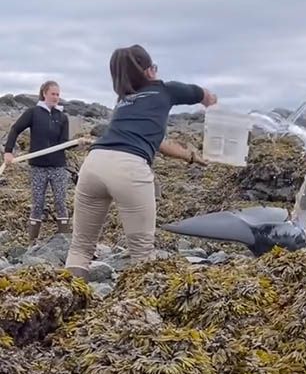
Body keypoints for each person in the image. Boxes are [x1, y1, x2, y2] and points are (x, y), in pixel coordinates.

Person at [64, 45, 216, 278]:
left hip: (93, 165)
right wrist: (214, 107)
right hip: (130, 169)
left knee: (81, 247)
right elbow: (205, 95)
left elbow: (159, 142)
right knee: (142, 253)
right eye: (154, 67)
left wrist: (191, 156)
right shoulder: (165, 90)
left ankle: (64, 301)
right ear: (148, 71)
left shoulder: (123, 100)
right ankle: (137, 310)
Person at [3, 80, 83, 241]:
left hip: (58, 167)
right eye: (53, 94)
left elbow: (63, 143)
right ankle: (32, 242)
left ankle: (64, 239)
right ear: (44, 93)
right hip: (38, 166)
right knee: (37, 203)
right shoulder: (33, 112)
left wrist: (76, 144)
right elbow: (15, 129)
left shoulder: (62, 117)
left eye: (58, 94)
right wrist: (8, 152)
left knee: (61, 202)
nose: (56, 97)